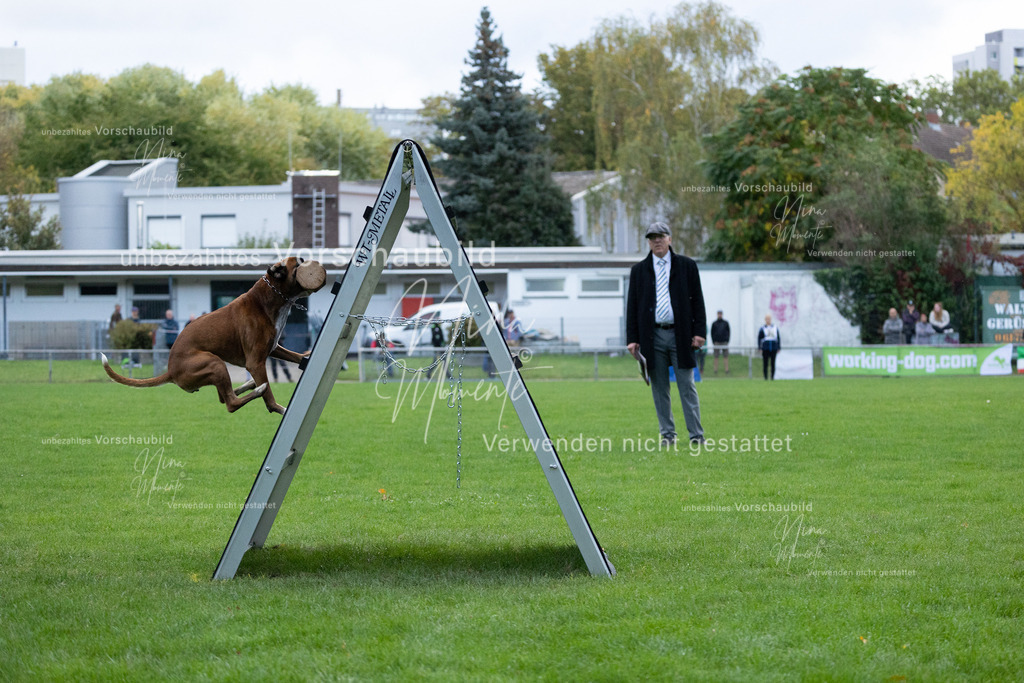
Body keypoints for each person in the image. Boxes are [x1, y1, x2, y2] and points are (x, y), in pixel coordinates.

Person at [626, 221, 707, 445]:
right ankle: (668, 435)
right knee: (659, 388)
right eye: (652, 237)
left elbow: (698, 301)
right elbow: (632, 307)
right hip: (652, 337)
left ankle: (696, 435)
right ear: (648, 242)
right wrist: (632, 339)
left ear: (670, 239)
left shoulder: (687, 266)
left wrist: (700, 332)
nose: (657, 241)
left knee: (687, 386)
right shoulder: (638, 271)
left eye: (661, 236)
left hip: (681, 335)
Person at [758, 314, 780, 381]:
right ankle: (765, 378)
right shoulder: (763, 328)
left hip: (773, 348)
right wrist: (760, 347)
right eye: (767, 319)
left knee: (773, 363)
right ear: (765, 320)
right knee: (765, 363)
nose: (768, 320)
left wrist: (778, 347)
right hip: (765, 348)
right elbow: (759, 338)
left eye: (769, 319)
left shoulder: (775, 328)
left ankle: (772, 377)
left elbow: (778, 338)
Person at [710, 310, 730, 374]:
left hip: (724, 342)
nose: (719, 315)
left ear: (722, 315)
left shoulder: (725, 323)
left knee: (725, 356)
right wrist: (714, 341)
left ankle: (726, 370)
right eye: (719, 314)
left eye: (720, 314)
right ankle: (715, 370)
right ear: (717, 315)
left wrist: (727, 340)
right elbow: (712, 333)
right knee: (716, 356)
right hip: (717, 342)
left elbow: (728, 332)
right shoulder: (714, 323)